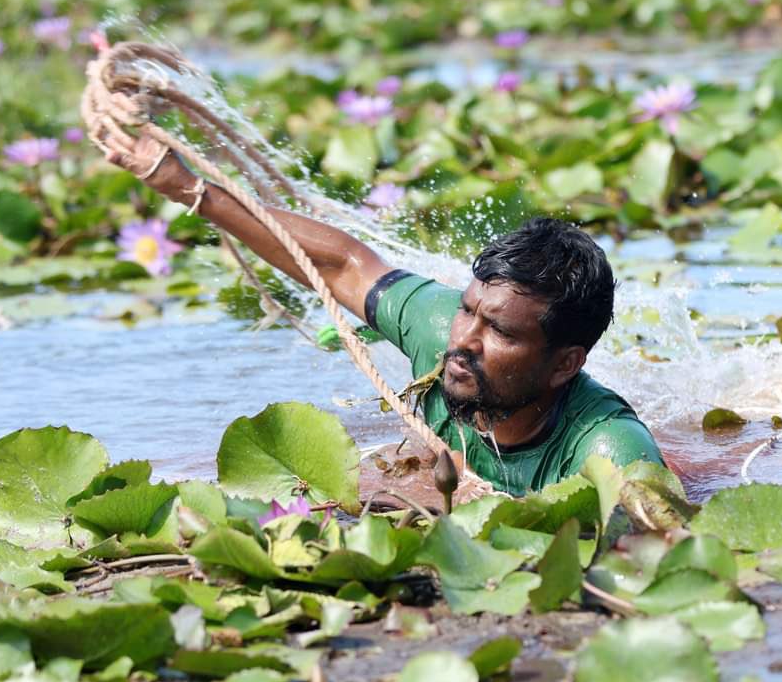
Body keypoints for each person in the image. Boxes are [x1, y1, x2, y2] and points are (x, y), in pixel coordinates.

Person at [103, 131, 664, 496]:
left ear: (565, 364)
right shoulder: (444, 333)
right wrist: (187, 188)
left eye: (498, 330)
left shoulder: (608, 448)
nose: (464, 339)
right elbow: (344, 263)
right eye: (470, 310)